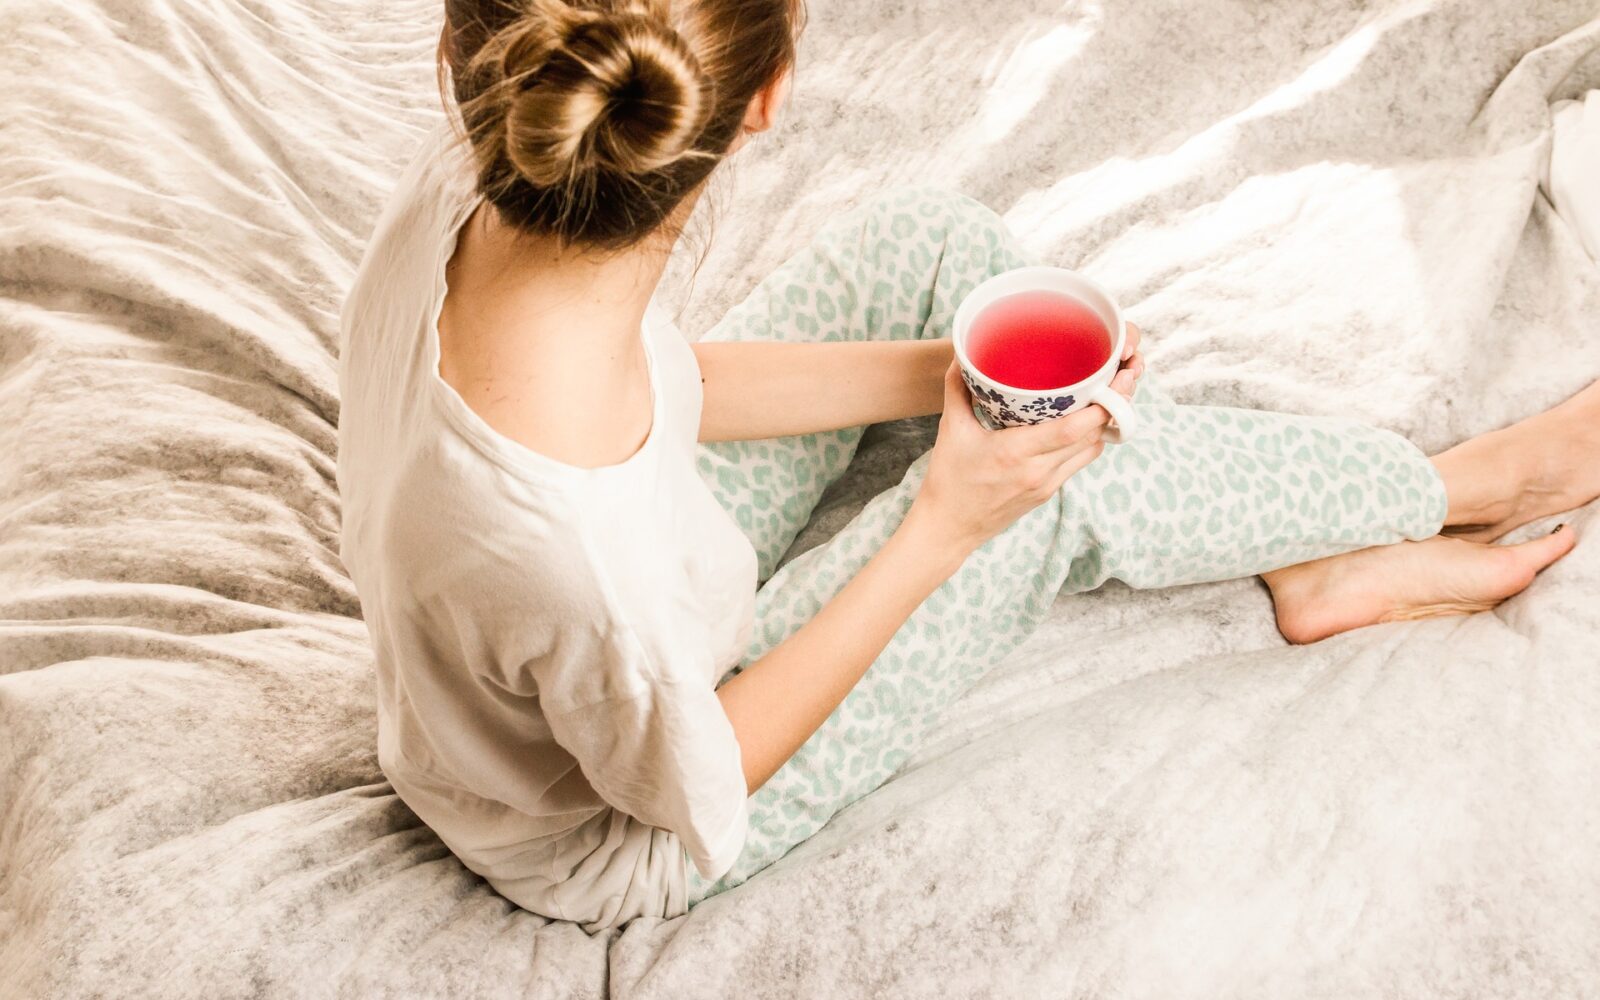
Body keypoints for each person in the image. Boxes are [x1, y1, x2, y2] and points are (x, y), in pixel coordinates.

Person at [334, 0, 1596, 934]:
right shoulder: (574, 560)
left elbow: (667, 388)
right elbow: (701, 772)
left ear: (469, 53)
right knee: (1057, 494)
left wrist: (949, 370)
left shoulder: (480, 182)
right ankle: (1463, 490)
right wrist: (946, 519)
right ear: (768, 94)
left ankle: (1299, 540)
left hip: (644, 583)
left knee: (933, 244)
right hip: (636, 821)